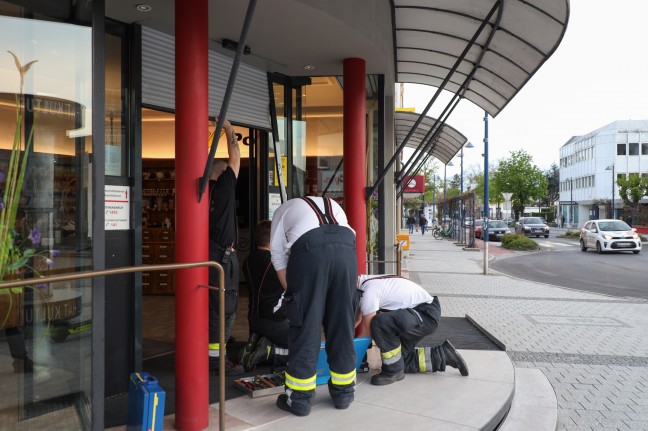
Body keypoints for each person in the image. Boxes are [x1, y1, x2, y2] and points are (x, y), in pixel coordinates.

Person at [270, 196, 358, 416]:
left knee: (306, 327)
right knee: (341, 325)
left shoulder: (281, 212)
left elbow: (279, 258)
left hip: (310, 251)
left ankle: (299, 399)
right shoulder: (334, 205)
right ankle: (344, 393)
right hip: (347, 252)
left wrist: (296, 297)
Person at [355, 274, 469, 386]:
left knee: (379, 323)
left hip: (424, 313)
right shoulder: (366, 282)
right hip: (417, 313)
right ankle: (443, 355)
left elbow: (366, 332)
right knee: (400, 360)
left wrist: (350, 362)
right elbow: (359, 318)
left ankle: (393, 371)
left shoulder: (368, 291)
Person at [208, 117, 242, 374]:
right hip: (222, 258)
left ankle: (213, 352)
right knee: (224, 308)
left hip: (208, 254)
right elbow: (235, 159)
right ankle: (217, 359)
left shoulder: (202, 190)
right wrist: (229, 129)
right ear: (222, 175)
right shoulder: (224, 187)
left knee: (212, 307)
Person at [241, 220, 289, 371]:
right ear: (272, 239)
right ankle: (267, 351)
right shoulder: (276, 264)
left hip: (254, 319)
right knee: (304, 347)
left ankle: (259, 341)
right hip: (275, 322)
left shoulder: (247, 261)